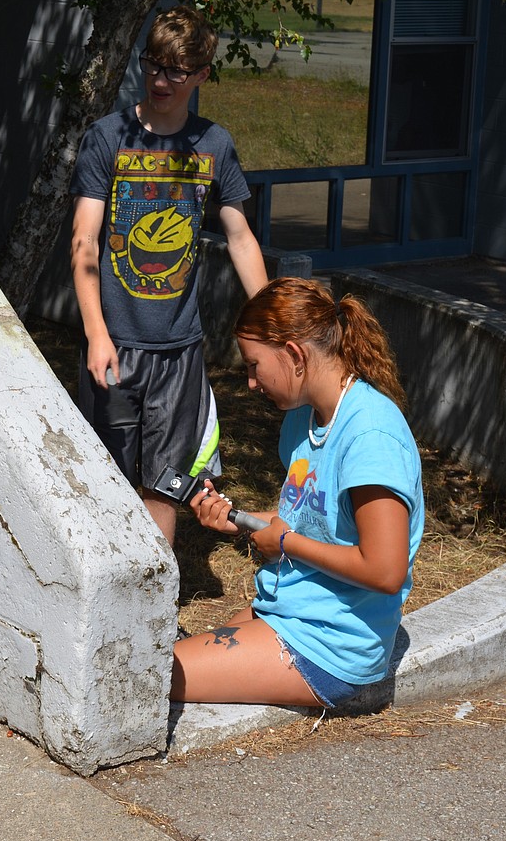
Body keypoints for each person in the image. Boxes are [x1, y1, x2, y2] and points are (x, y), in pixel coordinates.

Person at [170, 278, 425, 709]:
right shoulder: (304, 419)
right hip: (292, 612)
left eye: (254, 365)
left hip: (330, 646)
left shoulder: (371, 435)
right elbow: (316, 522)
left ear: (294, 354)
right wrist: (245, 520)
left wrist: (284, 542)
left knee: (152, 678)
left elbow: (385, 570)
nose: (250, 382)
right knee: (156, 663)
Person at [69, 5, 268, 545]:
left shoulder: (214, 145)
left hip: (181, 352)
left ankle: (152, 609)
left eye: (176, 70)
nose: (161, 80)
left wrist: (276, 318)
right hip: (113, 345)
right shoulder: (106, 138)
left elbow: (241, 237)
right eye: (154, 65)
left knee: (164, 485)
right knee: (106, 482)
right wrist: (96, 334)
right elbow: (85, 241)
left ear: (201, 74)